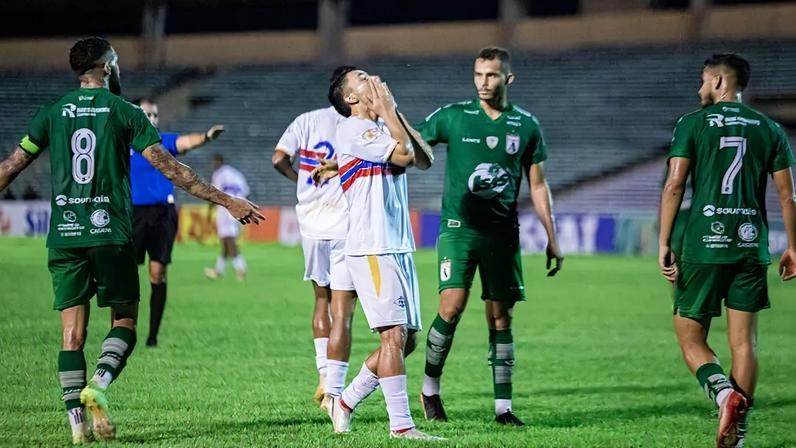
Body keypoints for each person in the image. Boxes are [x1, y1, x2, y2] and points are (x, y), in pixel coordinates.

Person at [0, 37, 263, 444]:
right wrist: (226, 199)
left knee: (71, 335)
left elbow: (12, 166)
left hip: (65, 236)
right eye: (116, 61)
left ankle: (76, 425)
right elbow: (173, 170)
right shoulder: (126, 112)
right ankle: (99, 385)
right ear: (105, 67)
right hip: (110, 234)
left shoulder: (51, 113)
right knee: (124, 321)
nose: (119, 68)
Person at [415, 46, 563, 426]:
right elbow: (411, 144)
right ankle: (430, 390)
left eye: (492, 75)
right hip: (457, 230)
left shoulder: (526, 125)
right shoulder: (454, 117)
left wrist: (552, 236)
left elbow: (539, 184)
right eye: (479, 74)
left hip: (502, 235)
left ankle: (503, 409)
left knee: (501, 319)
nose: (483, 82)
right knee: (451, 306)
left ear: (508, 78)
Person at [659, 53, 796, 448]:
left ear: (720, 81)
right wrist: (794, 246)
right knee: (745, 343)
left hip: (703, 243)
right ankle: (737, 438)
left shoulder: (692, 123)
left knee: (689, 336)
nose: (700, 89)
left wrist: (665, 241)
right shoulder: (770, 128)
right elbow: (788, 196)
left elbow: (674, 185)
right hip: (751, 244)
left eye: (703, 81)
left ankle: (723, 394)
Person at [320, 68, 442, 440]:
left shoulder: (383, 126)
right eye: (361, 78)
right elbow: (406, 157)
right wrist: (388, 111)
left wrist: (392, 110)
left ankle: (344, 402)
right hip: (371, 246)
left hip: (397, 244)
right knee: (393, 337)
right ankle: (402, 427)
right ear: (351, 98)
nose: (372, 77)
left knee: (407, 340)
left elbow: (426, 159)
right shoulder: (354, 130)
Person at [271, 67, 357, 407]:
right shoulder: (359, 123)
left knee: (320, 300)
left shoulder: (305, 120)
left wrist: (300, 181)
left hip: (310, 223)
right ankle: (334, 388)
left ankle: (323, 373)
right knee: (343, 310)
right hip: (347, 224)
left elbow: (278, 158)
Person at [130, 97, 225, 347]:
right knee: (126, 276)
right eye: (147, 115)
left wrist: (205, 136)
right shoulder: (123, 143)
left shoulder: (163, 143)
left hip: (163, 214)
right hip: (131, 214)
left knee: (157, 273)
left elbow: (186, 142)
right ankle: (124, 332)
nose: (152, 119)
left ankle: (152, 336)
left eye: (155, 115)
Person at [204, 155, 251, 281]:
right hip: (239, 208)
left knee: (228, 239)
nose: (214, 165)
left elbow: (214, 194)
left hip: (226, 209)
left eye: (215, 162)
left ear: (219, 162)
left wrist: (210, 209)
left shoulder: (219, 174)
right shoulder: (236, 174)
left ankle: (241, 268)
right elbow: (246, 192)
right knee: (226, 241)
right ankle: (218, 270)